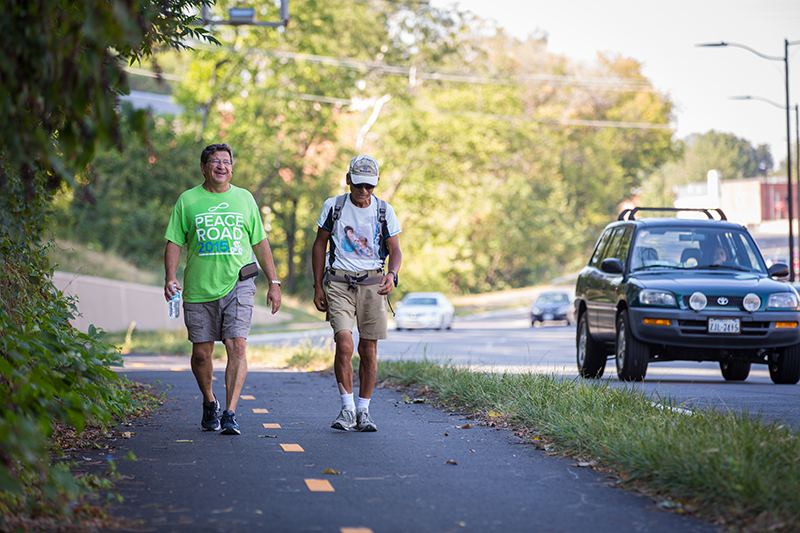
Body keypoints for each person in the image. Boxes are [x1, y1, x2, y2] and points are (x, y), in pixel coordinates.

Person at [164, 143, 281, 436]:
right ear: (203, 167)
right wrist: (170, 277)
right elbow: (175, 242)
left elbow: (260, 243)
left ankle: (230, 412)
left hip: (239, 283)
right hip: (199, 288)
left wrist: (274, 282)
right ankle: (209, 401)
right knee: (202, 354)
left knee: (237, 345)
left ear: (232, 168)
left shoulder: (244, 199)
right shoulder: (188, 200)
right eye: (214, 161)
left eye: (226, 162)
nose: (221, 166)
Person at [312, 154, 402, 432]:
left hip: (373, 284)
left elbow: (395, 249)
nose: (364, 192)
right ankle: (347, 407)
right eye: (359, 185)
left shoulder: (384, 210)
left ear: (376, 185)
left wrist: (392, 274)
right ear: (348, 180)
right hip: (339, 283)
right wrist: (317, 285)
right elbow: (319, 245)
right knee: (344, 343)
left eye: (370, 187)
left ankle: (364, 410)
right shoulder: (334, 206)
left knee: (368, 350)